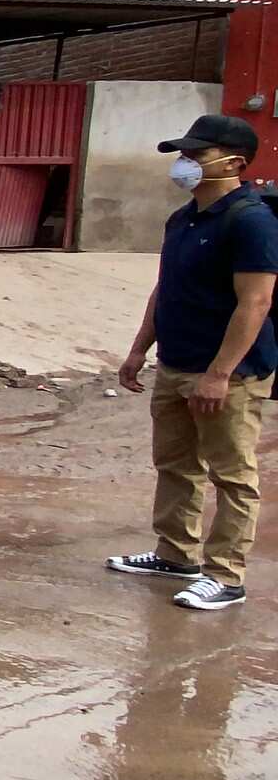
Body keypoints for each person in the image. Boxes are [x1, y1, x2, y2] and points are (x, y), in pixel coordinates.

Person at [109, 115, 277, 612]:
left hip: (228, 374)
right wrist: (141, 348)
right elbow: (167, 287)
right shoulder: (182, 218)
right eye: (183, 155)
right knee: (177, 465)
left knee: (232, 474)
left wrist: (220, 374)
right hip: (176, 363)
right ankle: (175, 554)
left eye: (195, 156)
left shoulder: (250, 220)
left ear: (235, 163)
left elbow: (256, 302)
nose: (185, 165)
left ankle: (226, 575)